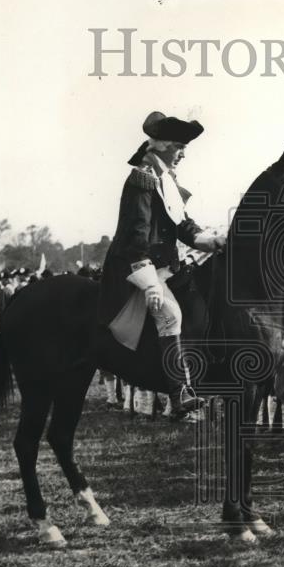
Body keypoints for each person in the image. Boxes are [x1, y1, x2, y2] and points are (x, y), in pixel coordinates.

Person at [98, 111, 226, 417]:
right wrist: (150, 282)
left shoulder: (166, 178)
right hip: (137, 266)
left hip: (167, 266)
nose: (182, 153)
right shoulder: (143, 177)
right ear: (165, 145)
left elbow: (183, 225)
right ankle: (179, 390)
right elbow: (137, 235)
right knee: (170, 313)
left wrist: (212, 240)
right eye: (180, 146)